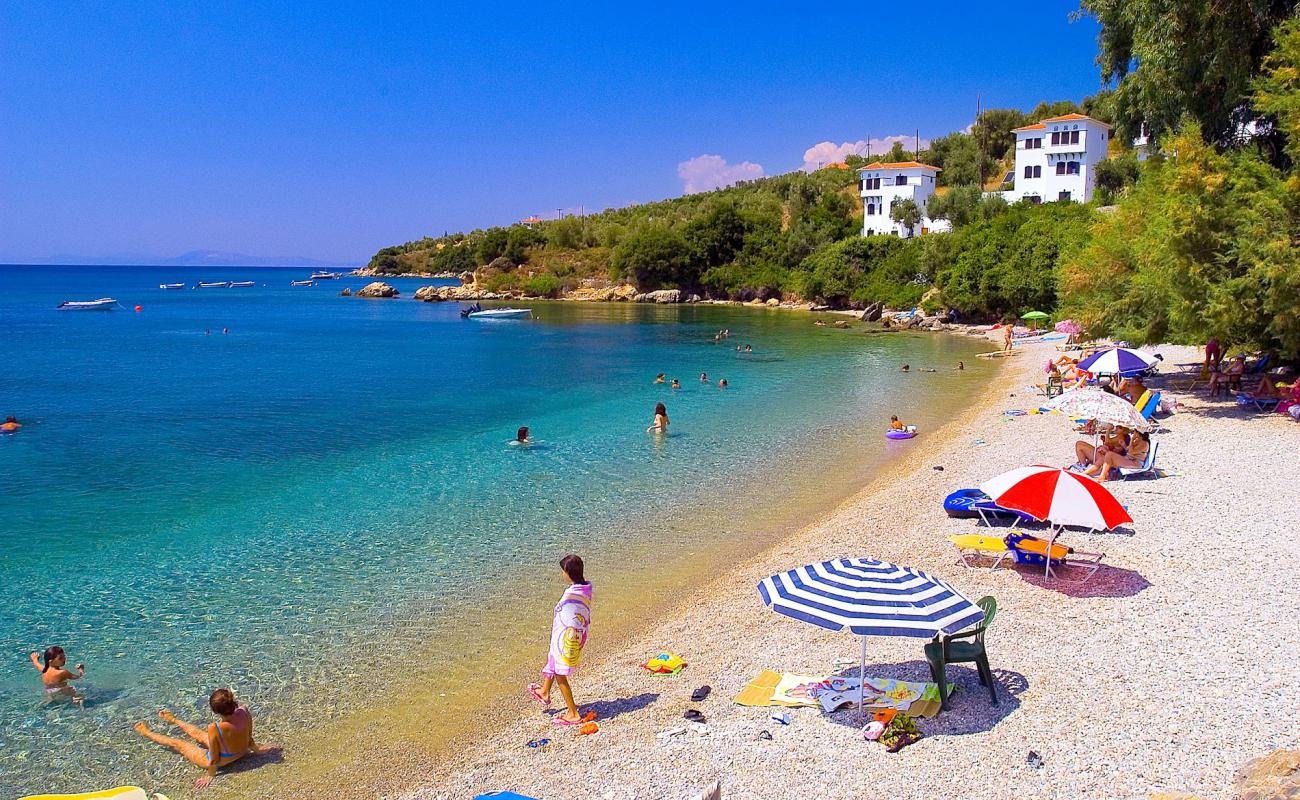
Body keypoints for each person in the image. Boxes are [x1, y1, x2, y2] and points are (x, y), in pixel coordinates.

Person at [134, 688, 275, 790]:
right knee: (201, 736)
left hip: (222, 761)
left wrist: (210, 775)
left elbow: (213, 758)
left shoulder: (215, 728)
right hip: (243, 751)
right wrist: (258, 751)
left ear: (215, 711)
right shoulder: (244, 711)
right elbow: (249, 738)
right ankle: (174, 720)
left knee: (179, 744)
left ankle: (147, 732)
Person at [526, 554, 594, 727]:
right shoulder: (584, 589)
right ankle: (544, 692)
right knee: (553, 662)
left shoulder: (572, 593)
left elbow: (569, 613)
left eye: (563, 571)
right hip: (571, 634)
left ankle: (573, 713)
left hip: (568, 638)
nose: (562, 574)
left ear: (568, 572)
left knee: (559, 673)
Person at [1085, 430, 1151, 481]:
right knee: (1103, 457)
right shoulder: (1137, 441)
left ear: (1139, 433)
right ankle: (1085, 474)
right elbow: (1128, 450)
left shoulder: (1144, 443)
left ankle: (1102, 476)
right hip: (1128, 459)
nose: (1133, 433)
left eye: (1135, 432)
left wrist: (1132, 440)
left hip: (1135, 463)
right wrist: (1124, 445)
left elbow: (1131, 451)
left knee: (1109, 454)